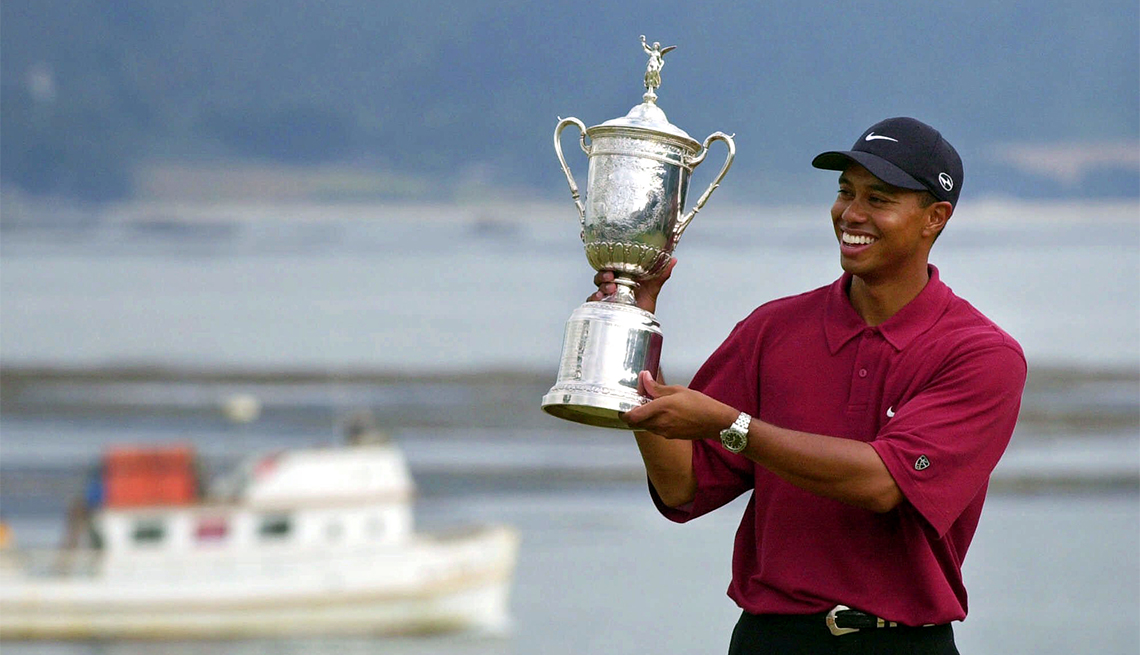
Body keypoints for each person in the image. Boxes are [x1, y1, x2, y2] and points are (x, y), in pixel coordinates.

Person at [592, 117, 1027, 654]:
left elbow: (882, 485)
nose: (852, 214)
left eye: (879, 198)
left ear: (934, 219)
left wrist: (732, 425)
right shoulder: (773, 329)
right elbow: (684, 486)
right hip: (766, 640)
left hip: (900, 646)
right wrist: (635, 338)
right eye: (845, 192)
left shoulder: (981, 353)